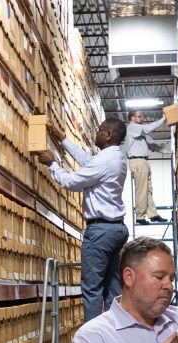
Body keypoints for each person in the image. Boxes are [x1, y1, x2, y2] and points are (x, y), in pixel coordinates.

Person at [36, 118, 129, 322]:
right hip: (116, 230)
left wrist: (52, 163)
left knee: (92, 289)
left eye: (100, 130)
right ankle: (116, 338)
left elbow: (71, 182)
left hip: (100, 232)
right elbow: (88, 161)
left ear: (109, 135)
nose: (96, 132)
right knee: (113, 290)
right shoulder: (116, 158)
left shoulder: (105, 161)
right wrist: (63, 140)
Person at [124, 111, 168, 225]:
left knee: (148, 189)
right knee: (141, 190)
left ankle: (153, 214)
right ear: (132, 118)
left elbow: (153, 145)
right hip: (137, 161)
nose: (142, 118)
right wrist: (163, 119)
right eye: (139, 116)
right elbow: (147, 128)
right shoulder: (133, 128)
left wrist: (169, 152)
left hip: (144, 161)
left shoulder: (141, 133)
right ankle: (140, 216)